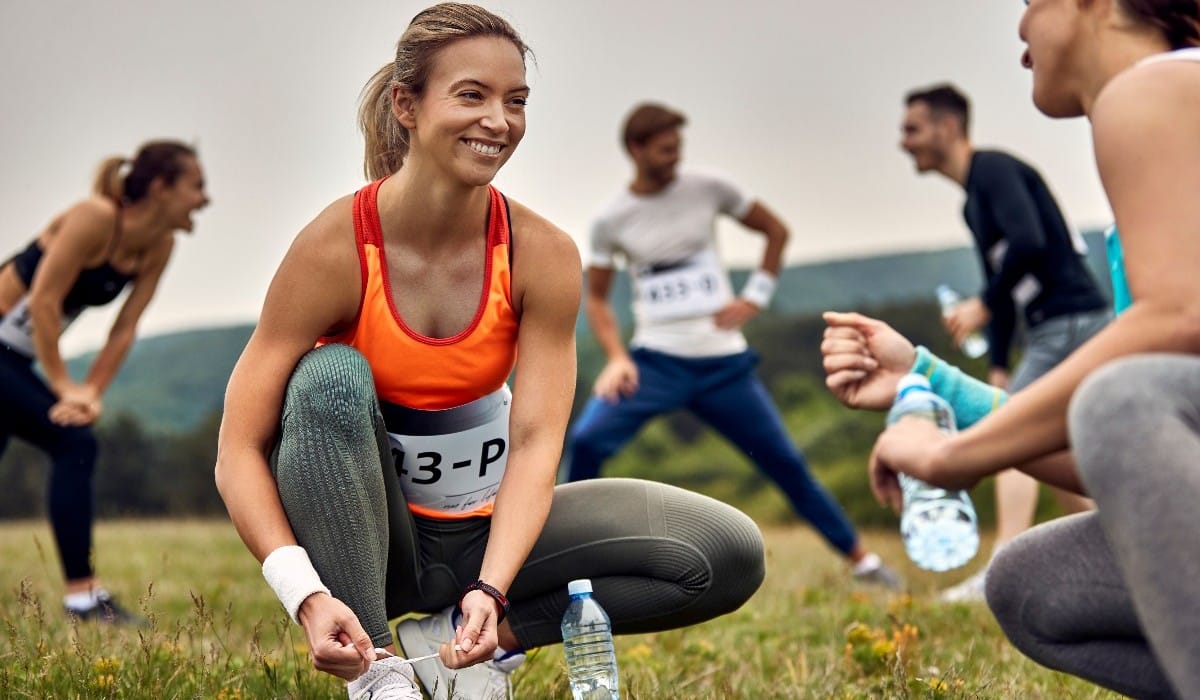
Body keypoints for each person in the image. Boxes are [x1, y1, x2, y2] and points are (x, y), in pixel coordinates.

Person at [214, 6, 765, 700]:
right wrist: (305, 595)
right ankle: (382, 673)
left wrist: (493, 592)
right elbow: (238, 450)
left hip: (491, 534)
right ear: (406, 105)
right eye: (471, 95)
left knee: (725, 552)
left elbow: (536, 443)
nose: (498, 121)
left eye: (516, 101)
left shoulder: (543, 254)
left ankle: (457, 650)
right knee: (327, 378)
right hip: (375, 550)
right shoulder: (332, 250)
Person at [823, 0, 1200, 694]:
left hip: (1072, 330)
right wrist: (932, 382)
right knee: (1032, 584)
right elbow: (1125, 454)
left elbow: (1174, 323)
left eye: (1029, 1)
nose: (1019, 26)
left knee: (1116, 398)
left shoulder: (1154, 89)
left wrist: (950, 456)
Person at [565, 102, 900, 589]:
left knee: (784, 461)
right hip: (655, 363)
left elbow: (775, 230)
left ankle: (864, 561)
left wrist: (755, 297)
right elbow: (595, 299)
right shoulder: (611, 220)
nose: (675, 157)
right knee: (588, 439)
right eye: (663, 149)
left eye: (679, 146)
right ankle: (570, 558)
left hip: (723, 364)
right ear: (635, 150)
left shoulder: (709, 188)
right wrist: (617, 358)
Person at [898, 82, 1110, 601]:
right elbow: (1007, 278)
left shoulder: (993, 170)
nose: (904, 142)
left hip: (1075, 320)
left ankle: (1002, 565)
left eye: (913, 129)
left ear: (948, 128)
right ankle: (1113, 553)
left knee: (1012, 434)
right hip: (1051, 327)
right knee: (1043, 440)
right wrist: (996, 361)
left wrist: (984, 304)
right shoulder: (973, 203)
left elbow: (1031, 243)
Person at [0, 140, 208, 624]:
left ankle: (83, 598)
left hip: (15, 359)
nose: (204, 200)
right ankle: (83, 597)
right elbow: (46, 300)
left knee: (72, 437)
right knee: (73, 440)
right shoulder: (95, 217)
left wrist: (91, 390)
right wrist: (64, 386)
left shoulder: (159, 246)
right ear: (160, 188)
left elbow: (125, 326)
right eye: (196, 187)